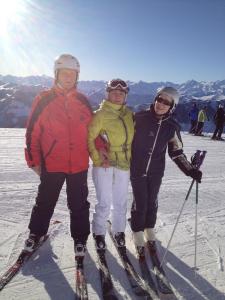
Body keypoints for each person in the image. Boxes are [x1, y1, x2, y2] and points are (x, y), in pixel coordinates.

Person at [24, 54, 92, 262]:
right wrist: (33, 160)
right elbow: (32, 132)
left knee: (79, 203)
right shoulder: (43, 99)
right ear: (56, 74)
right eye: (65, 73)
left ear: (77, 76)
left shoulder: (82, 100)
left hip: (79, 163)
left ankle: (80, 238)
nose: (68, 77)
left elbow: (93, 130)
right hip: (52, 162)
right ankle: (36, 233)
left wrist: (101, 149)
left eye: (72, 73)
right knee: (45, 201)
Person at [130, 87, 203, 258]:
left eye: (166, 102)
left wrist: (190, 170)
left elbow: (176, 152)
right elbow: (123, 139)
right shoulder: (138, 118)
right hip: (137, 169)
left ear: (172, 106)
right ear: (155, 99)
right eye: (159, 99)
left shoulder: (172, 127)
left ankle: (149, 229)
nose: (161, 104)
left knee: (152, 201)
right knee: (140, 202)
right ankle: (137, 233)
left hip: (156, 171)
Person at [88, 79, 134, 250]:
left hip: (124, 163)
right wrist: (98, 160)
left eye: (121, 93)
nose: (117, 95)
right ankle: (99, 232)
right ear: (108, 94)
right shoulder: (100, 114)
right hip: (105, 165)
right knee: (105, 201)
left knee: (121, 201)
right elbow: (90, 138)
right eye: (114, 92)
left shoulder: (129, 114)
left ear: (125, 96)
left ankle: (119, 230)